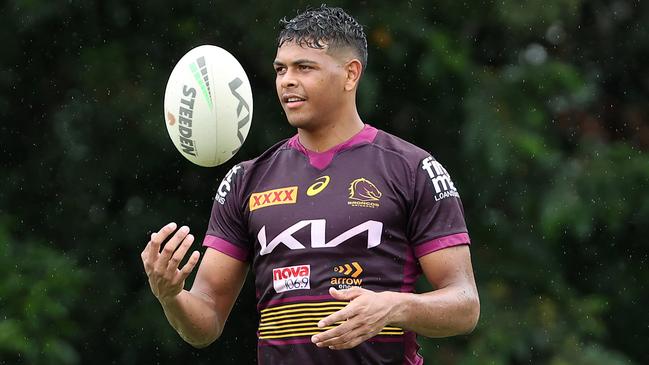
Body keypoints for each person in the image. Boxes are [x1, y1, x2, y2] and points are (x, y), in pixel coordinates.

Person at [141, 5, 479, 364]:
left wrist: (396, 307)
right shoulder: (246, 180)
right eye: (280, 69)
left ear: (351, 74)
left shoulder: (412, 169)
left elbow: (464, 305)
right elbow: (205, 321)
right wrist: (171, 297)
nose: (287, 80)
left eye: (304, 67)